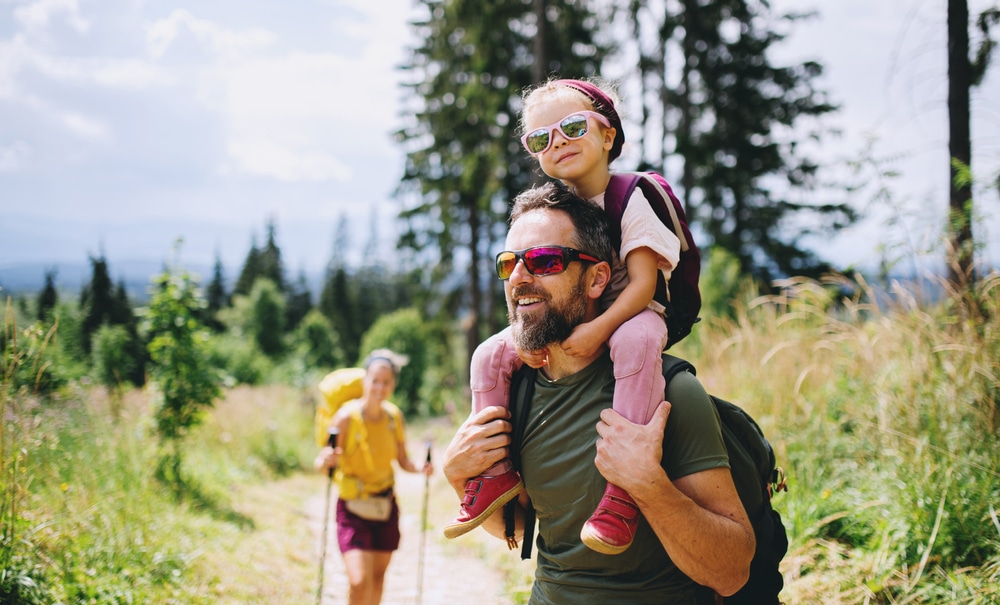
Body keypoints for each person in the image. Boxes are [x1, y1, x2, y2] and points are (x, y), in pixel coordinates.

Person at [442, 183, 754, 604]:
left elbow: (732, 572)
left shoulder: (672, 394)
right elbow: (519, 529)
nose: (519, 277)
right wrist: (459, 478)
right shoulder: (516, 391)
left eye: (545, 260)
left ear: (596, 279)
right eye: (509, 263)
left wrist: (648, 485)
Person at [445, 78, 681, 556]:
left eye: (573, 127)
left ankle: (623, 487)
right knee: (490, 353)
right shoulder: (560, 206)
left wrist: (597, 329)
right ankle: (493, 472)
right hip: (580, 315)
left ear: (608, 134)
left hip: (635, 311)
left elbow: (643, 285)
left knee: (634, 342)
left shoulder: (631, 196)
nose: (558, 143)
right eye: (540, 138)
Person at [314, 349, 434, 605]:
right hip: (353, 508)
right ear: (365, 381)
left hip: (385, 508)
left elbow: (403, 461)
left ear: (393, 384)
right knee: (359, 582)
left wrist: (420, 468)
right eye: (375, 380)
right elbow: (325, 460)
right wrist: (323, 461)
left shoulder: (393, 417)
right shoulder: (346, 416)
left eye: (386, 382)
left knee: (377, 581)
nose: (380, 387)